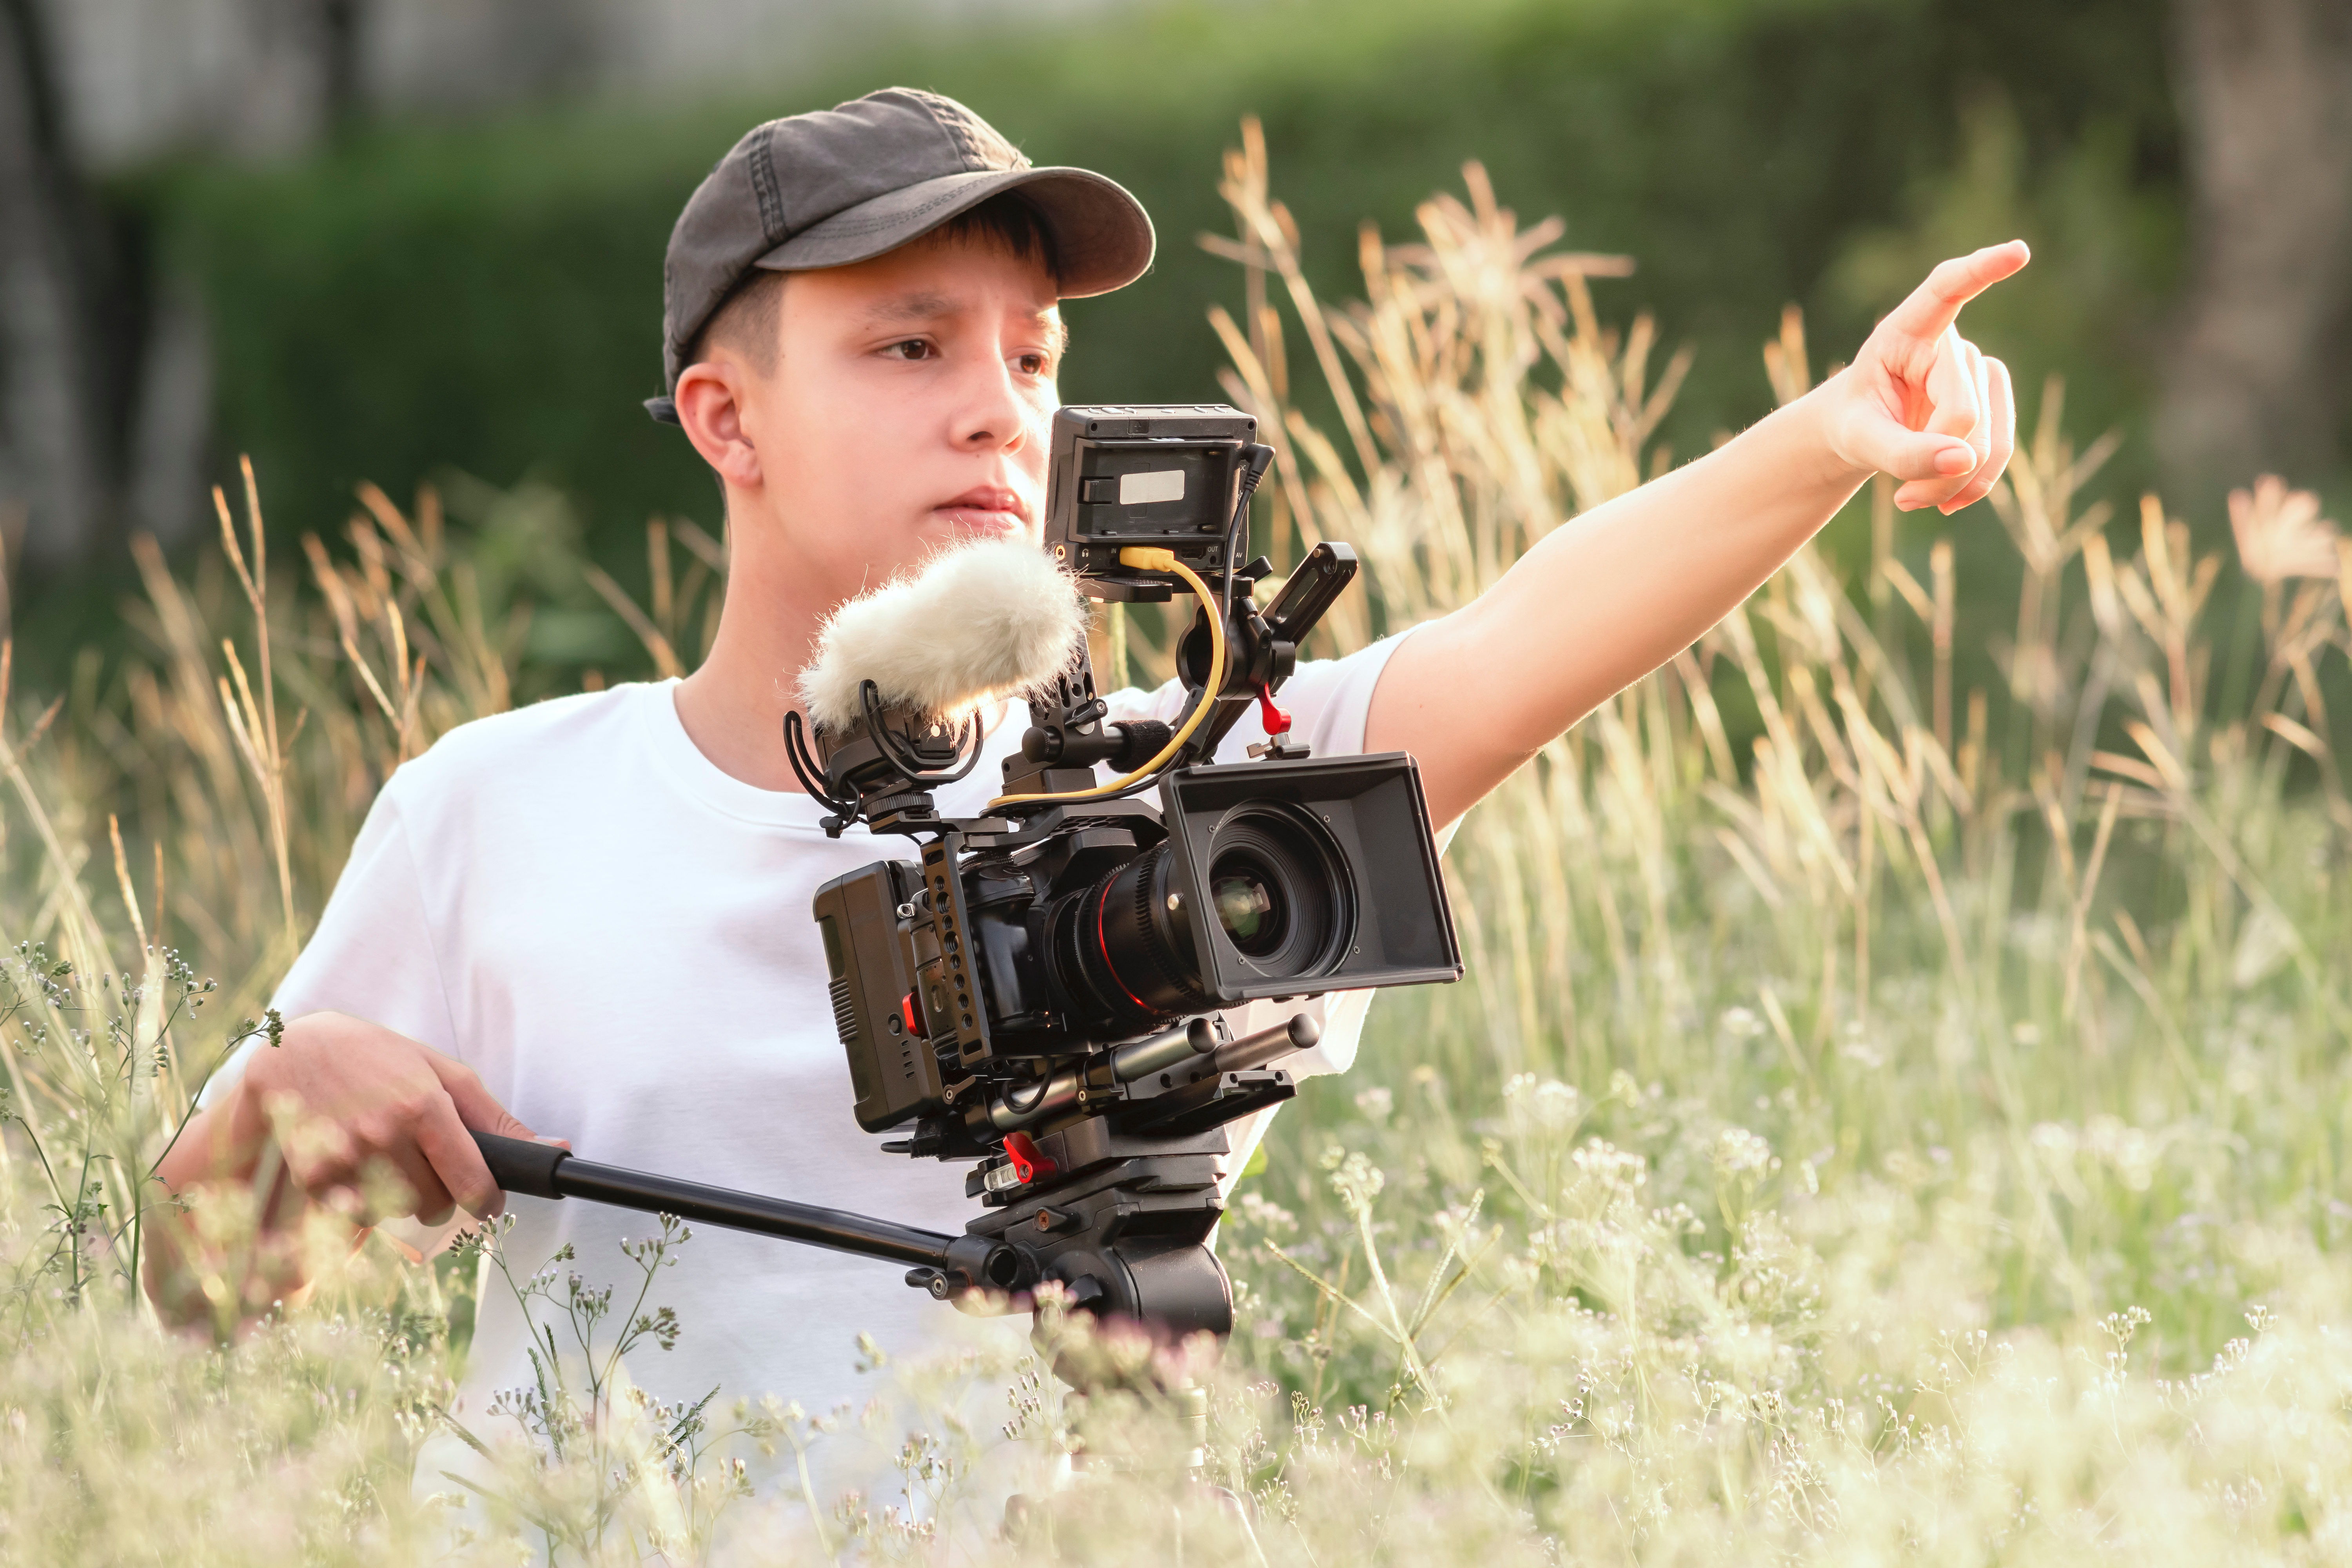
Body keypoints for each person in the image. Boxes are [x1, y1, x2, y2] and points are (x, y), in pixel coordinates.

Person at [152, 86, 2021, 1457]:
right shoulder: (501, 804)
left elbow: (1521, 646)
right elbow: (195, 1287)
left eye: (1032, 354)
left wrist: (1827, 441)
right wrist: (276, 1098)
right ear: (724, 416)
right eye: (906, 344)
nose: (996, 404)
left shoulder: (1169, 801)